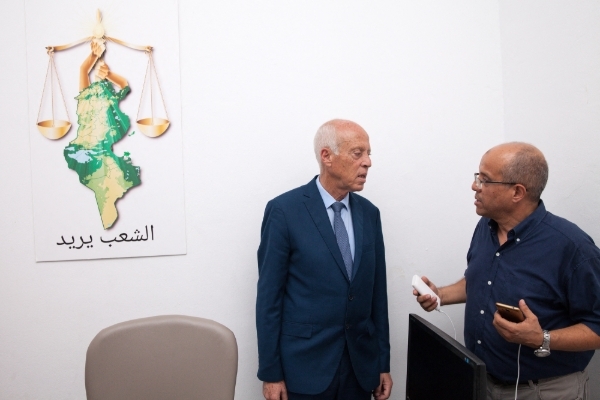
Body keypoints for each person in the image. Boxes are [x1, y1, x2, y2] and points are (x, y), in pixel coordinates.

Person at [414, 142, 600, 400]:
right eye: (477, 176)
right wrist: (440, 295)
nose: (474, 186)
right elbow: (479, 281)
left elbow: (596, 326)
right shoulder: (486, 227)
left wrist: (542, 338)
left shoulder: (573, 248)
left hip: (544, 391)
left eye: (485, 180)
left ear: (517, 192)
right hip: (483, 384)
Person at [256, 119, 393, 400]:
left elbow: (377, 295)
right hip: (304, 370)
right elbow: (269, 299)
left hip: (359, 370)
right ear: (326, 157)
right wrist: (271, 373)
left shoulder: (370, 214)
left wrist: (382, 363)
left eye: (369, 154)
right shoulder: (284, 211)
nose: (368, 162)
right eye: (358, 153)